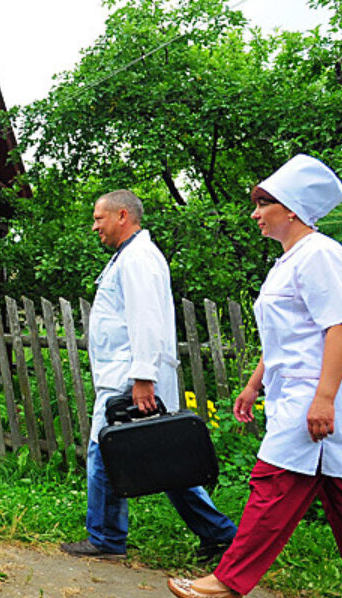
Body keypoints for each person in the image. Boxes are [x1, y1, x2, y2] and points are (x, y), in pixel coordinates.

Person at [167, 155, 342, 598]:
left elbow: (340, 327)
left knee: (273, 484)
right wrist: (255, 381)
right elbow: (290, 335)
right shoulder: (293, 259)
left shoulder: (320, 253)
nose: (256, 212)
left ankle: (227, 584)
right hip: (299, 389)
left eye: (265, 203)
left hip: (317, 395)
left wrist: (324, 399)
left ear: (294, 209)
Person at [62, 190, 237, 560]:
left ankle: (106, 539)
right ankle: (220, 533)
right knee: (164, 458)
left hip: (130, 376)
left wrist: (143, 376)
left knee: (104, 451)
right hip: (128, 372)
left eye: (99, 218)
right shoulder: (131, 257)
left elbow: (146, 318)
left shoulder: (138, 259)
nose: (95, 227)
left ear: (122, 216)